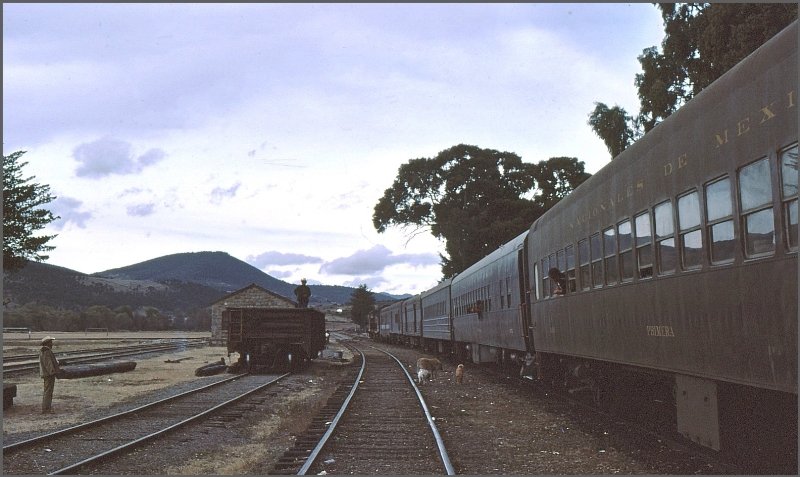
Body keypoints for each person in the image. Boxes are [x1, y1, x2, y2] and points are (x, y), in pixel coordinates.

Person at [38, 336, 61, 414]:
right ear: (47, 343)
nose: (52, 343)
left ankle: (46, 408)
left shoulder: (45, 351)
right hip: (48, 375)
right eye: (50, 342)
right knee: (48, 392)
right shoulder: (46, 351)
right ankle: (46, 409)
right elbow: (48, 364)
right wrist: (53, 372)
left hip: (47, 374)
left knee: (47, 391)